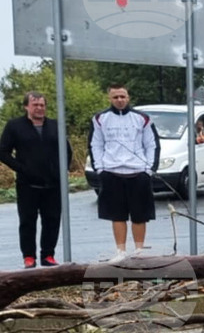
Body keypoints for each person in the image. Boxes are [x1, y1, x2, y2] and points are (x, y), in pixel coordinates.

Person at [0, 91, 72, 268]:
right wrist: (22, 169)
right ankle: (29, 257)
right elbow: (3, 152)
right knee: (27, 221)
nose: (39, 108)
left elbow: (67, 150)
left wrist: (61, 170)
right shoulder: (15, 126)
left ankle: (48, 255)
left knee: (52, 220)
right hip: (28, 184)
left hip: (53, 184)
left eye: (42, 105)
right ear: (27, 106)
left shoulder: (55, 125)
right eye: (35, 105)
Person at [89, 84, 160, 261]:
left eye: (122, 96)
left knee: (139, 215)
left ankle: (139, 251)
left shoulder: (142, 118)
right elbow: (95, 145)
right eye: (115, 97)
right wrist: (100, 169)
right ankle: (120, 251)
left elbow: (151, 144)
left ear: (128, 97)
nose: (119, 100)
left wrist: (149, 169)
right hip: (112, 173)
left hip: (137, 172)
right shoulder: (100, 119)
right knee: (117, 215)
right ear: (110, 98)